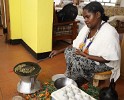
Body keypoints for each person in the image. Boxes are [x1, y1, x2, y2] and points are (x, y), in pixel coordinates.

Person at [50, 1, 121, 84]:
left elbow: (107, 59)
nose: (85, 20)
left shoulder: (109, 32)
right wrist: (58, 51)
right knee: (69, 52)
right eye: (84, 18)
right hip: (87, 56)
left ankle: (74, 82)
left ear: (98, 14)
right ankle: (70, 75)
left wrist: (85, 55)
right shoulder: (87, 28)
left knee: (77, 60)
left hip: (105, 64)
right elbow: (75, 45)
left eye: (88, 17)